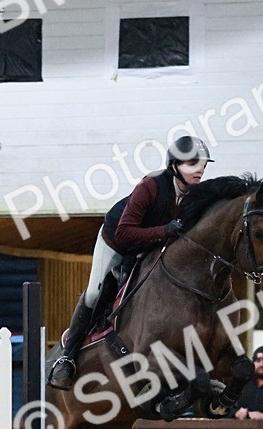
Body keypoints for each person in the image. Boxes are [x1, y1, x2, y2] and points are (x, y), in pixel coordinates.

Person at [48, 135, 214, 389]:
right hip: (116, 241)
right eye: (192, 163)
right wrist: (163, 231)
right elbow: (125, 233)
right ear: (174, 167)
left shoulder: (197, 194)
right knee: (95, 293)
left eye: (203, 164)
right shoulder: (151, 186)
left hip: (152, 247)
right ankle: (66, 358)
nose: (200, 169)